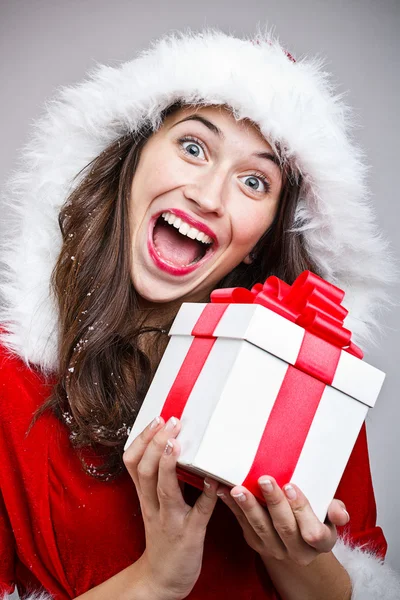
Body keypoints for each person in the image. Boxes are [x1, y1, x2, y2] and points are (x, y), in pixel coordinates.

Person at [0, 26, 399, 600]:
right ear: (132, 158)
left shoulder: (309, 381)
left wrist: (294, 558)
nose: (209, 197)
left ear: (265, 235)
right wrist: (156, 578)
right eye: (193, 147)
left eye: (254, 181)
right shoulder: (11, 380)